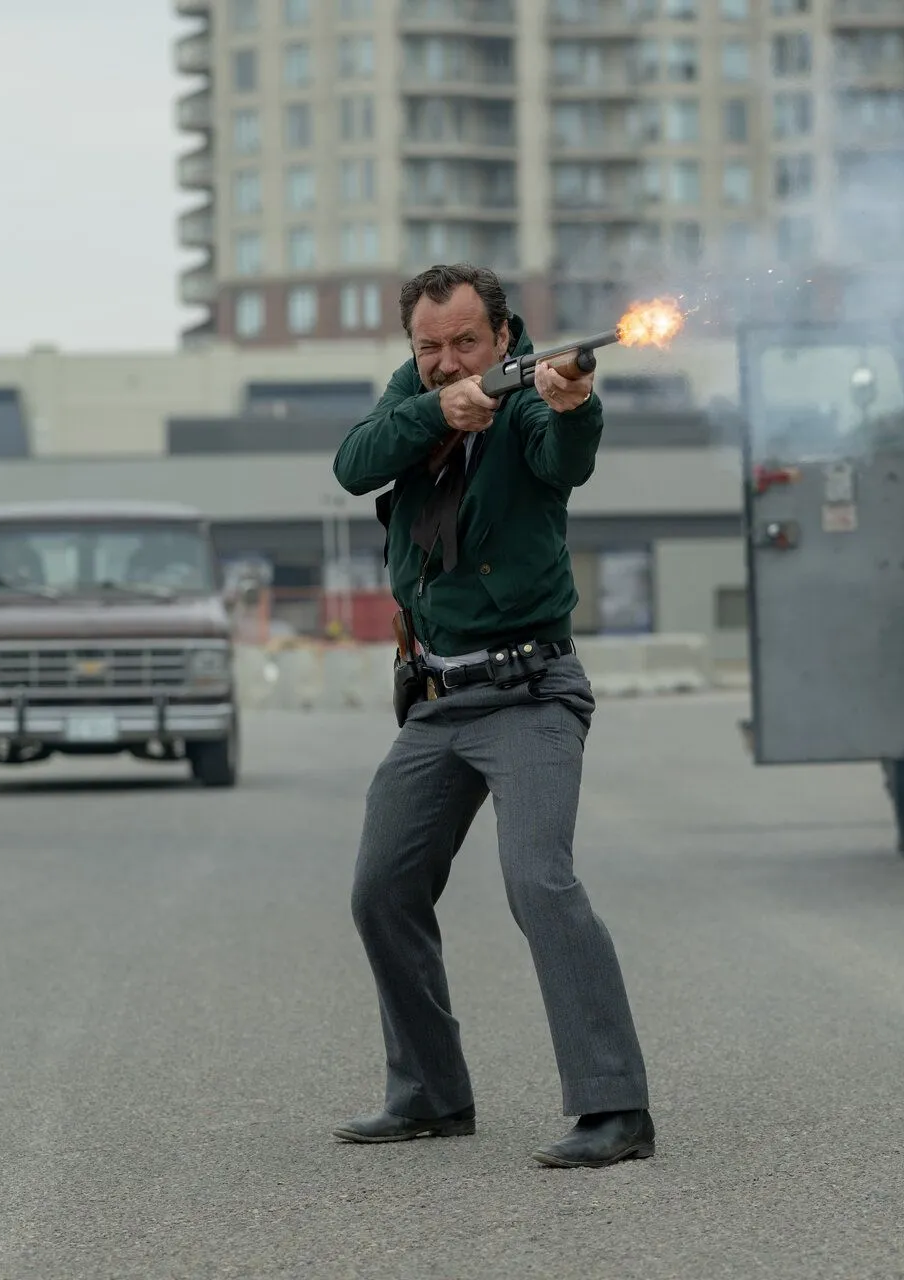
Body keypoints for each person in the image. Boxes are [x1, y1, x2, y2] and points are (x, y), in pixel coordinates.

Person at [329, 263, 654, 1169]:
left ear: (503, 336)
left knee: (538, 884)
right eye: (428, 346)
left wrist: (572, 402)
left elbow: (565, 457)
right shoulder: (415, 395)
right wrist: (438, 409)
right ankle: (429, 1096)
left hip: (529, 690)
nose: (445, 359)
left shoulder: (531, 395)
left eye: (465, 342)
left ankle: (614, 1109)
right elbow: (354, 464)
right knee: (382, 890)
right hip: (436, 700)